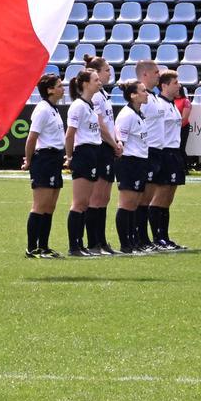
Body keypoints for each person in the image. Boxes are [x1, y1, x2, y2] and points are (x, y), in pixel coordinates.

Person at [20, 73, 65, 258]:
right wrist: (29, 160)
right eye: (59, 85)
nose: (63, 88)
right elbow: (32, 137)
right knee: (40, 205)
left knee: (50, 206)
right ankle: (32, 247)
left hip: (55, 159)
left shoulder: (53, 109)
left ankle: (44, 246)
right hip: (44, 158)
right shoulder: (43, 109)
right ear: (50, 90)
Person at [83, 55, 122, 255]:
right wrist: (114, 142)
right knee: (96, 198)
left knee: (104, 197)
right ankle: (94, 242)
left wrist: (116, 141)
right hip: (101, 147)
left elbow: (109, 123)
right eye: (106, 70)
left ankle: (102, 240)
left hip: (108, 147)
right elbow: (100, 125)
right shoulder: (95, 96)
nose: (109, 73)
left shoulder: (103, 94)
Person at [64, 68, 105, 257]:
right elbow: (70, 134)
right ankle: (74, 246)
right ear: (85, 84)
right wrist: (70, 157)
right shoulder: (78, 106)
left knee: (86, 203)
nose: (99, 82)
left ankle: (80, 244)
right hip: (83, 153)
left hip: (93, 153)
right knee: (79, 203)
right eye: (96, 80)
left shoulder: (90, 105)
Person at [152, 70, 188, 251]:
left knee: (168, 198)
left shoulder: (172, 104)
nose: (179, 85)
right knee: (159, 197)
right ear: (164, 85)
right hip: (164, 152)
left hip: (174, 153)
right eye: (175, 82)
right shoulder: (159, 105)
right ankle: (157, 238)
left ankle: (164, 236)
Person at [114, 80, 150, 254]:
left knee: (135, 203)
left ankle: (133, 240)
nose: (147, 93)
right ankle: (125, 243)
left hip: (140, 160)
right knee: (127, 203)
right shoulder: (126, 115)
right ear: (133, 95)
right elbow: (121, 141)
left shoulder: (138, 113)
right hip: (129, 161)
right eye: (143, 91)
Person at [135, 60, 162, 251]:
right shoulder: (140, 98)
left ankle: (144, 239)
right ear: (145, 74)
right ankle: (140, 238)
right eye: (156, 72)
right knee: (142, 198)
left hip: (156, 151)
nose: (159, 75)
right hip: (147, 150)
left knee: (148, 198)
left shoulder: (153, 96)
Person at [174, 86, 192, 173]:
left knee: (181, 148)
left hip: (183, 128)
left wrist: (176, 128)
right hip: (173, 129)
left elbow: (184, 118)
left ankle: (185, 168)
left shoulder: (186, 101)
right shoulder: (171, 101)